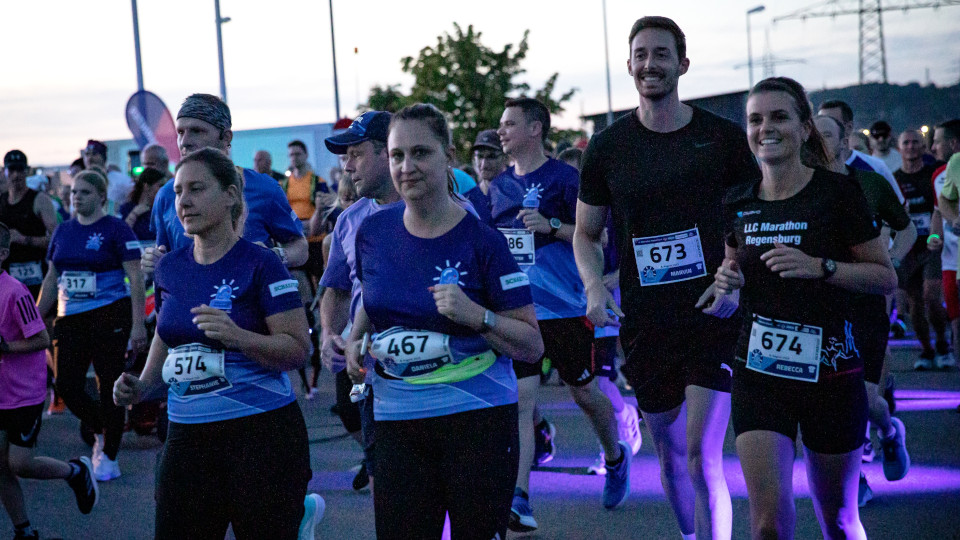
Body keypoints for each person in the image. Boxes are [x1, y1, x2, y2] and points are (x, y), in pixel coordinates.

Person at [575, 17, 757, 540]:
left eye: (661, 54)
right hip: (645, 320)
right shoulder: (607, 148)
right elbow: (586, 235)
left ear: (683, 63)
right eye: (641, 55)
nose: (650, 64)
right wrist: (592, 286)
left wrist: (733, 276)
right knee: (671, 456)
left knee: (702, 456)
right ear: (629, 65)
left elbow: (751, 219)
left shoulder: (720, 138)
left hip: (712, 313)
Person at [345, 102, 543, 540]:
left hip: (475, 421)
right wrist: (355, 340)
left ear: (448, 157)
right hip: (396, 423)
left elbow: (531, 344)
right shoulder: (372, 233)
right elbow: (373, 301)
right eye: (397, 155)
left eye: (421, 153)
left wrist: (477, 316)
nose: (407, 167)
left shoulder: (482, 242)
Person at [715, 76, 896, 540]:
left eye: (779, 117)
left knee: (838, 520)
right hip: (760, 371)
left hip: (831, 376)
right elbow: (731, 274)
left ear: (803, 126)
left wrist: (822, 266)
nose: (765, 128)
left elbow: (883, 278)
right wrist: (725, 280)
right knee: (767, 525)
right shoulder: (738, 200)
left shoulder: (837, 194)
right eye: (755, 119)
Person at [112, 148, 314, 539]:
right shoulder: (170, 267)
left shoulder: (261, 263)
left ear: (230, 195)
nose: (184, 202)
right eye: (177, 192)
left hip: (259, 436)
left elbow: (297, 349)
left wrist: (239, 337)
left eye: (197, 189)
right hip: (187, 439)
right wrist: (140, 387)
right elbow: (168, 339)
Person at [815, 114, 913, 505]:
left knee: (861, 399)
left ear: (844, 144)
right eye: (812, 136)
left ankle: (889, 432)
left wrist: (891, 264)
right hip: (820, 307)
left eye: (825, 136)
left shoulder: (869, 182)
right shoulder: (799, 188)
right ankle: (854, 481)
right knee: (829, 400)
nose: (817, 144)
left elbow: (905, 228)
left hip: (866, 304)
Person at [35, 170, 147, 482]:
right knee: (66, 384)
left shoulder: (117, 229)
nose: (77, 197)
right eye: (74, 192)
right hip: (70, 317)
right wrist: (33, 317)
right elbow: (52, 277)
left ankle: (109, 455)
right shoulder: (63, 231)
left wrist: (138, 325)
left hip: (110, 314)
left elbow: (136, 279)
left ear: (101, 197)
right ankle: (102, 428)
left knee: (109, 383)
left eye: (84, 192)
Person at [320, 111, 403, 492]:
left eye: (356, 154)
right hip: (369, 371)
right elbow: (336, 288)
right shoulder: (348, 221)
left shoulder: (449, 211)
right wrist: (327, 334)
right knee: (393, 493)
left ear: (388, 153)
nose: (346, 167)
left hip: (437, 375)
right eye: (344, 157)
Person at [0, 222, 100, 540]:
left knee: (19, 463)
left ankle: (75, 471)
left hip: (23, 394)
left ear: (3, 254)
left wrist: (6, 347)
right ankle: (24, 530)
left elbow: (42, 338)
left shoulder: (15, 293)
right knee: (0, 467)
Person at [143, 93, 308, 275]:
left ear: (226, 137)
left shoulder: (264, 188)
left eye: (197, 131)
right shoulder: (167, 194)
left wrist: (274, 256)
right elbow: (164, 255)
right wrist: (154, 261)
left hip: (250, 301)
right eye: (180, 132)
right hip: (192, 302)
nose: (185, 141)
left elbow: (300, 247)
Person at [894, 130, 950, 370]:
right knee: (914, 302)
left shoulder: (934, 173)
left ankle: (942, 343)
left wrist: (938, 236)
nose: (910, 147)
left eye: (915, 142)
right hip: (907, 247)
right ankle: (926, 350)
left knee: (931, 296)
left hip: (932, 245)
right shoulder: (894, 178)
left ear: (923, 146)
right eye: (905, 143)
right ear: (900, 148)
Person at [817, 100, 903, 201]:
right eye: (821, 122)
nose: (824, 127)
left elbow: (900, 206)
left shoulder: (876, 167)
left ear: (849, 127)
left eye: (832, 122)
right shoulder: (810, 169)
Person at [0, 151, 58, 298]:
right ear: (4, 171)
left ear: (27, 170)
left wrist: (25, 239)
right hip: (7, 277)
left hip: (37, 275)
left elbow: (56, 239)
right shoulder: (1, 201)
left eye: (20, 169)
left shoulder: (40, 200)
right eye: (12, 169)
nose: (16, 175)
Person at [931, 119, 960, 367]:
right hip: (952, 260)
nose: (932, 147)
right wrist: (933, 237)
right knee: (957, 322)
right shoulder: (942, 173)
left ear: (953, 143)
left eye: (937, 141)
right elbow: (938, 211)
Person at [463, 129, 508, 225]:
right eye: (479, 156)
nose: (484, 163)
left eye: (491, 156)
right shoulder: (466, 200)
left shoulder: (514, 196)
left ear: (505, 158)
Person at [119, 167, 165, 245]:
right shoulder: (126, 208)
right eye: (160, 185)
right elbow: (121, 235)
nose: (163, 189)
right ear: (146, 186)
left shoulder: (161, 209)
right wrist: (134, 214)